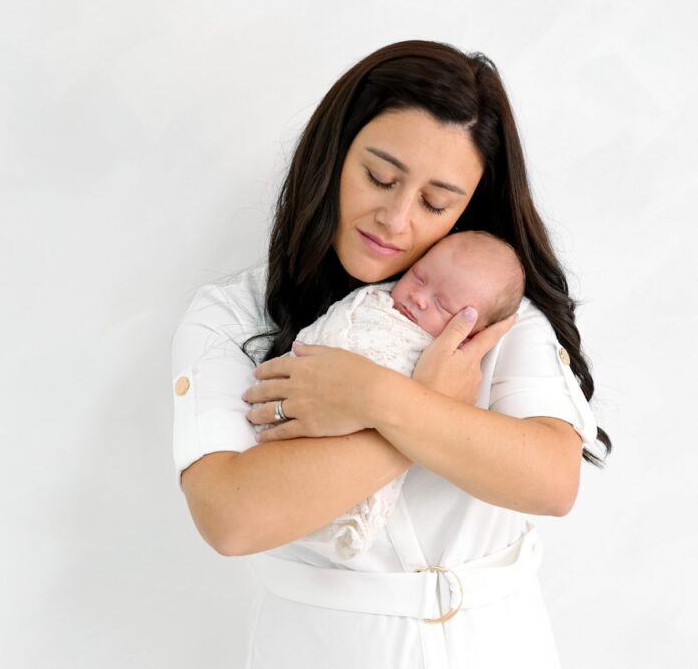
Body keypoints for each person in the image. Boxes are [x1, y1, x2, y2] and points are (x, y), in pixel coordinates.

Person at [171, 39, 613, 669]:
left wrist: (376, 398)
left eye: (437, 202)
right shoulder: (233, 314)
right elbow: (232, 517)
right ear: (332, 157)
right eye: (380, 177)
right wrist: (429, 411)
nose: (396, 218)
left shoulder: (485, 308)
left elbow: (551, 479)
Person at [251, 230, 526, 564]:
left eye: (444, 305)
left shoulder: (449, 359)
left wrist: (417, 403)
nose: (420, 298)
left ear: (473, 332)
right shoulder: (371, 300)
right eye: (419, 277)